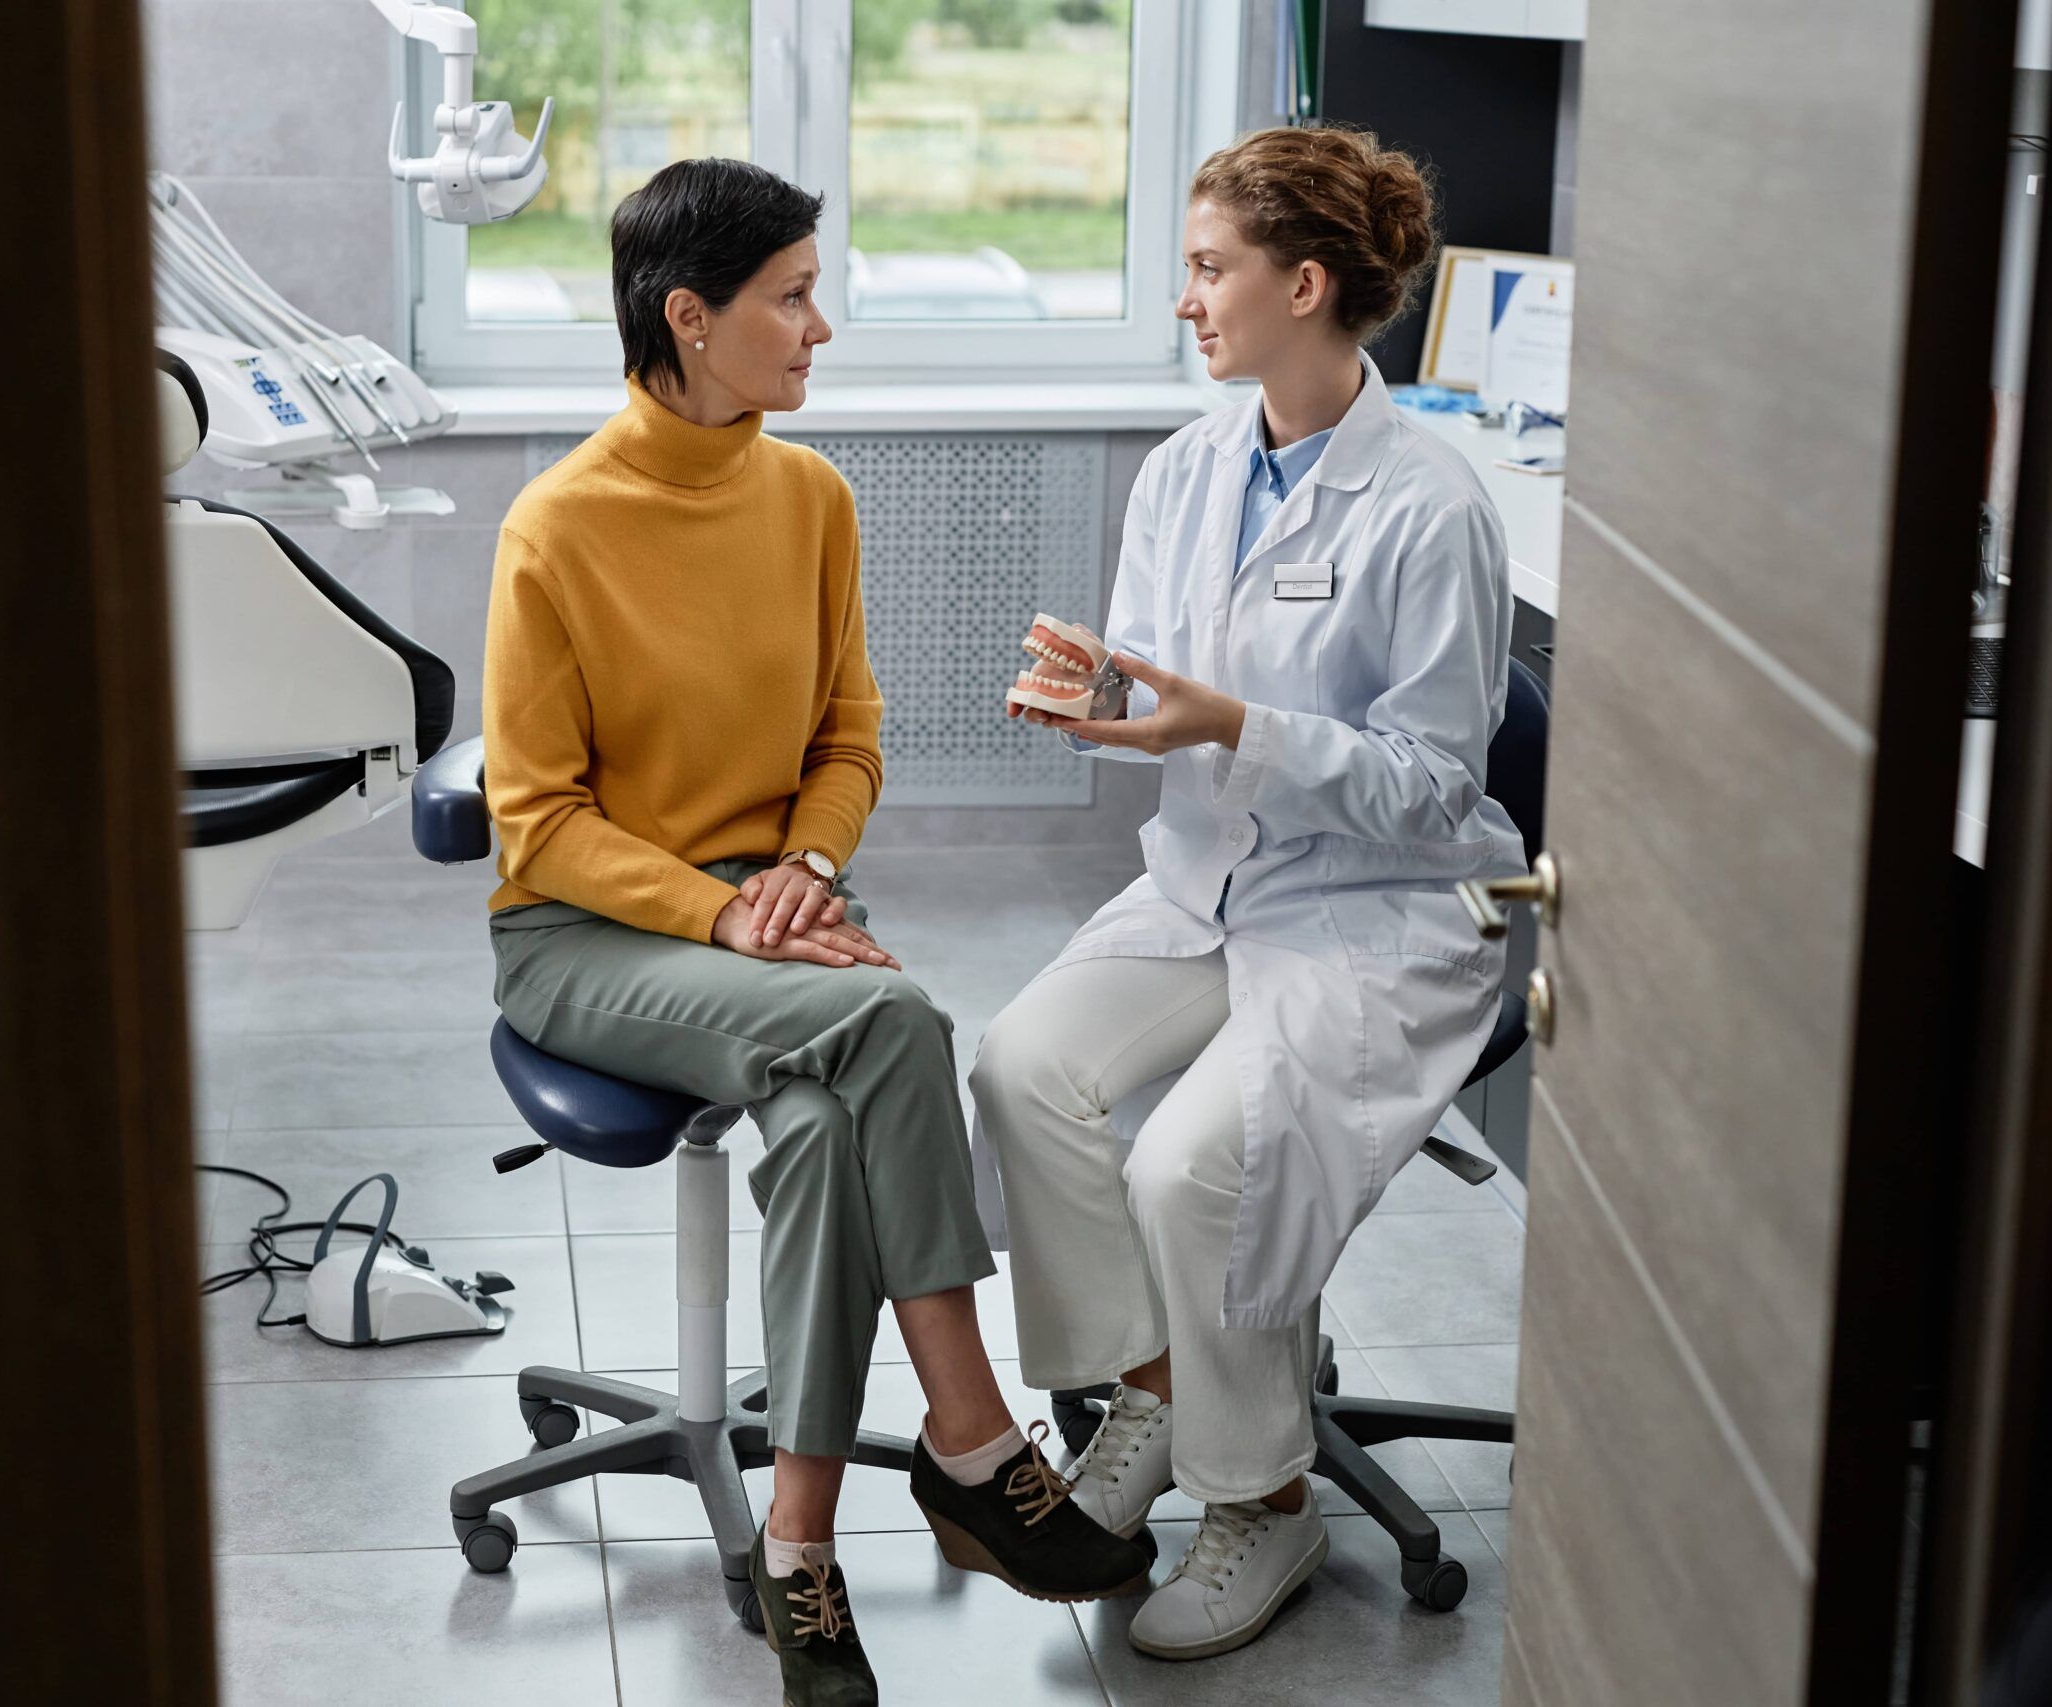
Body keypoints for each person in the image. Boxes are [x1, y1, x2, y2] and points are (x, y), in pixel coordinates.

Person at [481, 157, 1151, 1705]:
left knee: (815, 1133)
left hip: (779, 920)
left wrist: (798, 868)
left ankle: (799, 1548)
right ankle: (975, 1445)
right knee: (893, 1019)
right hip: (592, 936)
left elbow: (850, 740)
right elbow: (541, 826)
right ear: (690, 319)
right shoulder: (556, 529)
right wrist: (730, 908)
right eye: (792, 298)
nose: (820, 327)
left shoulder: (811, 495)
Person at [975, 124, 1526, 1664]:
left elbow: (1432, 784)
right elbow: (1164, 678)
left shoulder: (1430, 508)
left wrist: (1232, 727)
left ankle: (1260, 1497)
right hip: (1208, 884)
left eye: (1209, 270)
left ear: (1304, 283)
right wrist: (1103, 700)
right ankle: (1149, 1394)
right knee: (1022, 1067)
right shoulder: (1190, 464)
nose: (1186, 300)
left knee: (1191, 1172)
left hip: (1380, 911)